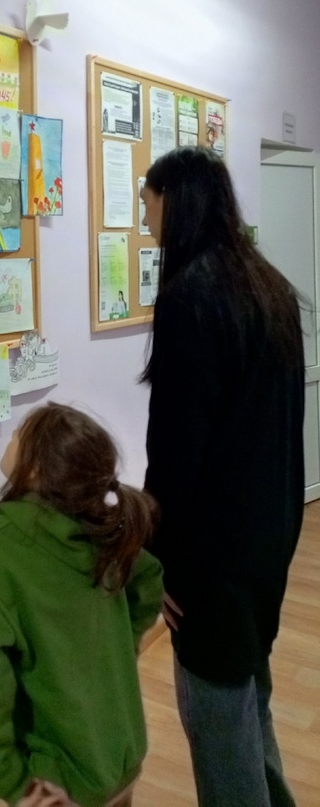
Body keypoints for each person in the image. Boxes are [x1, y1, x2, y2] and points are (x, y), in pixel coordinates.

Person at [140, 146, 304, 807]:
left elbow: (175, 453)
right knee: (248, 698)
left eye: (148, 202)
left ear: (176, 202)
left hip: (213, 557)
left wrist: (156, 559)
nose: (144, 217)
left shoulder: (190, 298)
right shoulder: (268, 286)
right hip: (268, 539)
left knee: (218, 729)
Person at [0, 402, 163, 807]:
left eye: (18, 433)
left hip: (57, 785)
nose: (11, 438)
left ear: (34, 469)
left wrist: (11, 782)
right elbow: (149, 581)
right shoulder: (103, 526)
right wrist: (122, 648)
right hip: (120, 757)